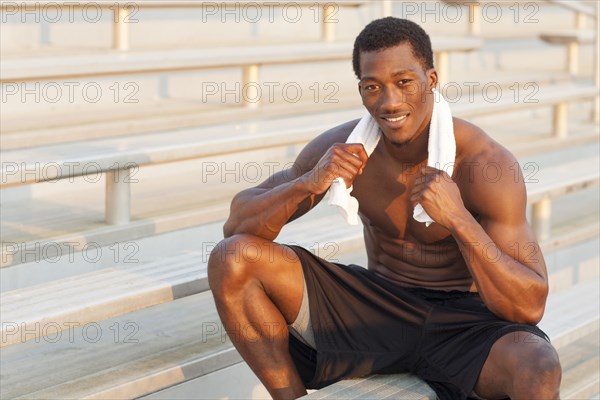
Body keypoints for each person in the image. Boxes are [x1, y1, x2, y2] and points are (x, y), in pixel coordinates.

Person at [208, 17, 561, 400]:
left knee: (537, 366)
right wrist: (308, 182)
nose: (390, 102)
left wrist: (459, 220)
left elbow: (529, 306)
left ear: (432, 79)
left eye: (404, 82)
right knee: (233, 257)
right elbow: (237, 224)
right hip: (377, 308)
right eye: (372, 87)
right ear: (360, 90)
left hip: (464, 322)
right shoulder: (343, 146)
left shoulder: (484, 164)